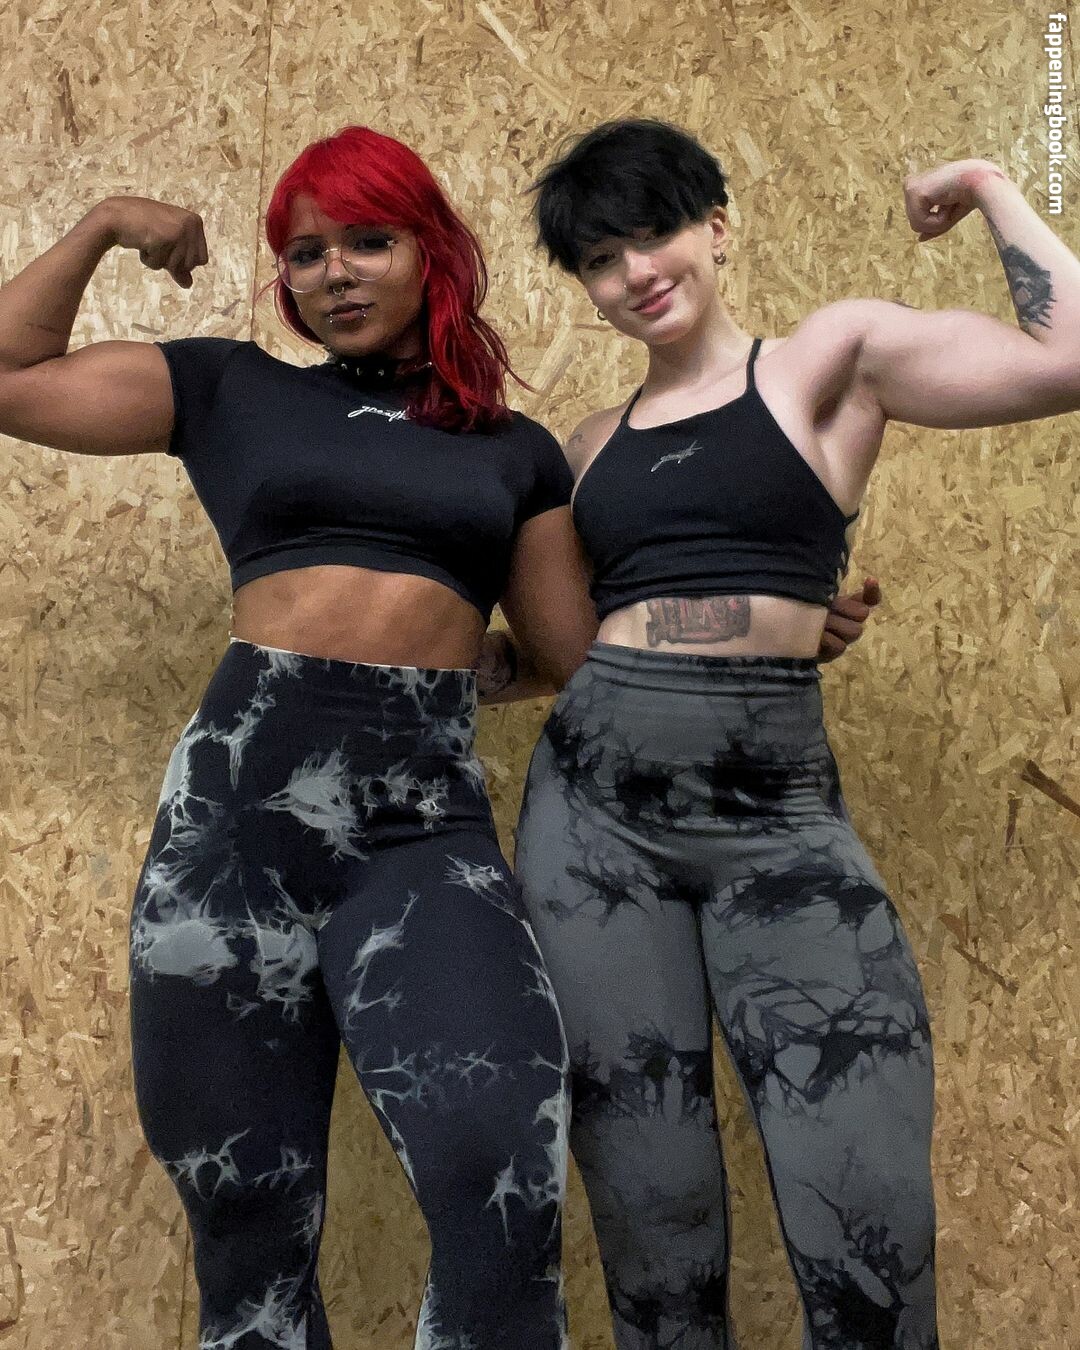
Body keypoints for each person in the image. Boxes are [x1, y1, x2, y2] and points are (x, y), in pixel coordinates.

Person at [0, 124, 604, 1350]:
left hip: (419, 830)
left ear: (431, 251)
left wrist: (757, 625)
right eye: (305, 253)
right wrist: (107, 221)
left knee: (500, 1170)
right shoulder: (231, 388)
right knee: (247, 1218)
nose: (335, 273)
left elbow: (568, 658)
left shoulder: (514, 452)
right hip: (233, 824)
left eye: (367, 241)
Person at [514, 118, 1080, 1350]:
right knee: (652, 1218)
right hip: (591, 822)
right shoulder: (589, 447)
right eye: (600, 259)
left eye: (654, 233)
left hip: (777, 813)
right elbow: (568, 647)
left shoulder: (829, 361)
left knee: (867, 1213)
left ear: (716, 227)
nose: (635, 272)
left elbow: (1071, 356)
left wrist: (986, 184)